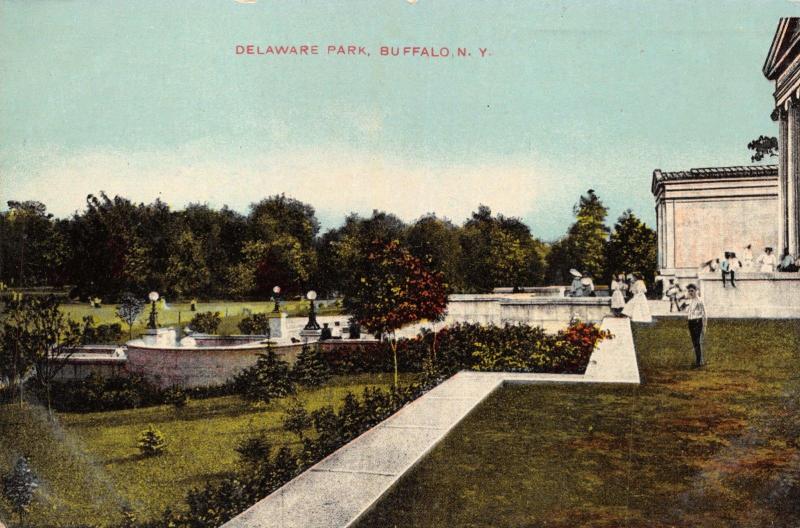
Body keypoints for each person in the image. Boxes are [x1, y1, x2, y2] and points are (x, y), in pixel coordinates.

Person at [685, 283, 707, 367]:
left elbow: (704, 313)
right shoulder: (690, 300)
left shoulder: (699, 301)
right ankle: (698, 360)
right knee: (694, 342)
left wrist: (704, 326)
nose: (690, 293)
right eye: (689, 291)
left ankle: (699, 361)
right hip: (691, 322)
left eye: (692, 291)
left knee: (697, 342)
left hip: (697, 322)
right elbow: (689, 313)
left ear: (696, 291)